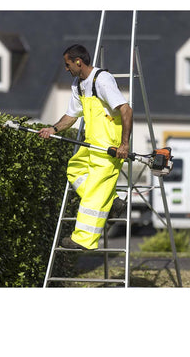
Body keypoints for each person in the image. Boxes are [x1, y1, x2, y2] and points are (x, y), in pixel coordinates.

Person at [38, 44, 133, 250]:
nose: (66, 68)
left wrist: (124, 144)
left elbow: (126, 110)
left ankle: (83, 239)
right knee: (75, 170)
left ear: (78, 62)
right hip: (91, 144)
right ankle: (114, 201)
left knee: (94, 193)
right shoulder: (78, 85)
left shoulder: (102, 80)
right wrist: (53, 128)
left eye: (67, 64)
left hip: (109, 147)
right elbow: (71, 116)